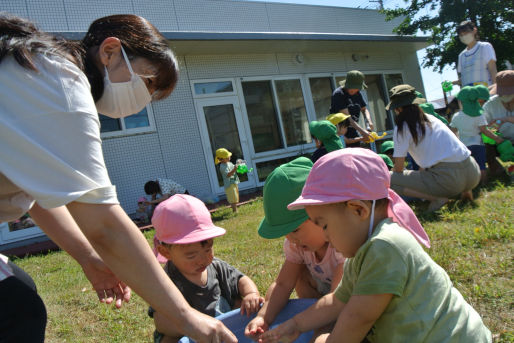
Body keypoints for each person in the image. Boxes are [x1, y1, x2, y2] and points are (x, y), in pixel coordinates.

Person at [0, 13, 236, 343]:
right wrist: (188, 318)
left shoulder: (37, 71)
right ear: (110, 52)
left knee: (19, 304)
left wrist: (87, 257)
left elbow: (36, 191)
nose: (144, 100)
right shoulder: (60, 82)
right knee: (17, 311)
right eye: (148, 83)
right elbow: (106, 227)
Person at [259, 148, 491, 343]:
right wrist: (295, 324)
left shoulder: (385, 246)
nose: (326, 237)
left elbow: (358, 318)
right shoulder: (363, 251)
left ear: (358, 210)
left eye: (325, 225)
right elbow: (336, 301)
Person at [245, 157, 344, 342]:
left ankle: (322, 325)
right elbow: (282, 284)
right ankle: (317, 318)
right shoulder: (296, 244)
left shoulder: (343, 243)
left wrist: (304, 324)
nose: (292, 240)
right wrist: (263, 317)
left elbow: (338, 297)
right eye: (286, 233)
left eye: (295, 229)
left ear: (321, 213)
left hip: (347, 300)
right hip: (321, 294)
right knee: (297, 272)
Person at [149, 195, 263, 343]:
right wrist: (194, 326)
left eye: (208, 250)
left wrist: (251, 294)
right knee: (168, 339)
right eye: (191, 255)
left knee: (246, 307)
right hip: (188, 334)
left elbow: (241, 279)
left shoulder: (216, 266)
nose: (203, 260)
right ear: (166, 252)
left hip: (226, 324)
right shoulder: (166, 280)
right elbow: (161, 322)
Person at [387, 85, 481, 212]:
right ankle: (466, 191)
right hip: (473, 172)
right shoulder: (431, 118)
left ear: (397, 108)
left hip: (449, 180)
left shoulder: (402, 127)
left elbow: (398, 168)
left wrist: (397, 174)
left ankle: (435, 198)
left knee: (387, 178)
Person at [450, 85, 504, 183]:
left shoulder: (456, 116)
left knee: (469, 167)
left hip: (464, 146)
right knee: (481, 166)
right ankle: (484, 183)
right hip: (479, 145)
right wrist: (496, 138)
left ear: (461, 102)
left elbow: (452, 132)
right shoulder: (479, 115)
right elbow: (484, 130)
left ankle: (473, 184)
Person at [329, 70, 374, 146]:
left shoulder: (357, 94)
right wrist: (363, 132)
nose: (355, 90)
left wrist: (369, 122)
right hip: (341, 132)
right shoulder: (339, 94)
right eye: (352, 87)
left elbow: (364, 109)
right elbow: (348, 118)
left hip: (353, 130)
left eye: (357, 88)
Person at [483, 70, 514, 175]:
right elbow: (484, 129)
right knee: (483, 143)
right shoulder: (490, 105)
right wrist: (496, 137)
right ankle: (496, 168)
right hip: (499, 142)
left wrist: (506, 119)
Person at [455, 20, 497, 87]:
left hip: (486, 93)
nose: (464, 36)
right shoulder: (461, 56)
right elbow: (464, 78)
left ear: (474, 30)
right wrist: (452, 83)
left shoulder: (485, 46)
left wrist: (495, 90)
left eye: (466, 33)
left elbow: (493, 70)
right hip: (469, 95)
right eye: (461, 35)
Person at [215, 148, 240, 213]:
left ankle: (235, 208)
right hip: (229, 184)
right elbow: (228, 175)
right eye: (228, 156)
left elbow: (233, 167)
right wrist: (234, 169)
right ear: (222, 159)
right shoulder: (222, 167)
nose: (230, 156)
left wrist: (238, 166)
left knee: (235, 196)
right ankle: (234, 210)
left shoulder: (229, 163)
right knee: (232, 197)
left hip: (233, 181)